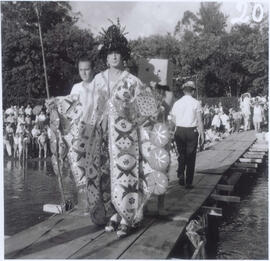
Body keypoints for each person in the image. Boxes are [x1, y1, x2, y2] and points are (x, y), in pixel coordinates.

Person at [170, 81, 204, 189]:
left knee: (181, 154)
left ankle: (180, 173)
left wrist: (173, 131)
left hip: (179, 130)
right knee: (191, 157)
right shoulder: (196, 103)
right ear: (193, 91)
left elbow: (173, 120)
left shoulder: (177, 103)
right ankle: (189, 182)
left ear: (184, 91)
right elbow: (199, 120)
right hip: (191, 131)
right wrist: (202, 134)